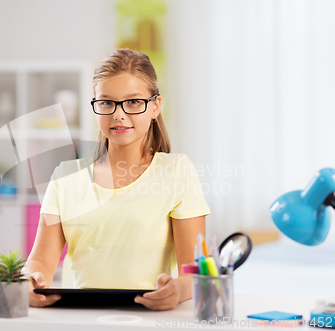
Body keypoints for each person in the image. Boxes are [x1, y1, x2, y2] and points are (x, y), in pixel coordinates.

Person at [21, 48, 210, 311]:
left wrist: (178, 290)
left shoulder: (177, 171)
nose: (118, 114)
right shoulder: (65, 176)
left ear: (155, 106)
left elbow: (196, 272)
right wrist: (28, 281)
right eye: (107, 102)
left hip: (148, 318)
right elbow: (40, 262)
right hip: (79, 317)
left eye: (133, 102)